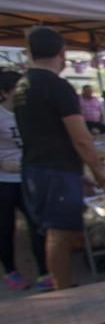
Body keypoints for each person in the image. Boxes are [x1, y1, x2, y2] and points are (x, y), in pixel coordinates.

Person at [13, 27, 105, 291]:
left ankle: (61, 282)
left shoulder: (24, 84)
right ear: (62, 52)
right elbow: (80, 137)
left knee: (58, 230)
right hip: (55, 169)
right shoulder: (56, 86)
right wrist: (99, 172)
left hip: (36, 166)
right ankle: (64, 290)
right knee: (60, 231)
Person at [0, 70, 46, 290]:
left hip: (29, 177)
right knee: (5, 227)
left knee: (37, 225)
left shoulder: (27, 113)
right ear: (5, 92)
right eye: (17, 89)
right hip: (4, 181)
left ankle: (44, 272)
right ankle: (10, 271)